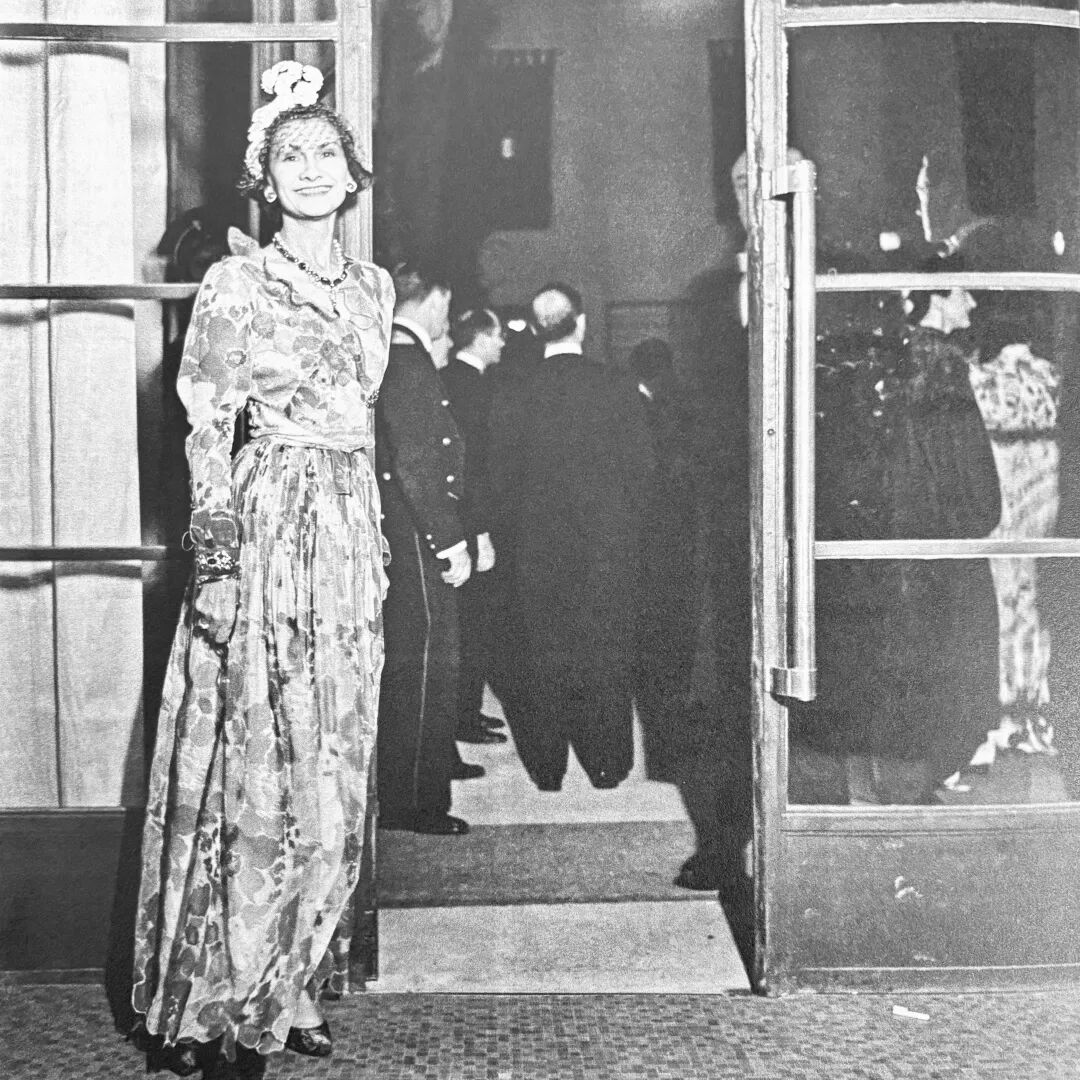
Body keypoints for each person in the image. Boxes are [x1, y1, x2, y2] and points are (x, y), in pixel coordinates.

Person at [130, 61, 393, 1078]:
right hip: (270, 526)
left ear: (353, 173)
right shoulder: (235, 285)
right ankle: (223, 1000)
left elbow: (365, 427)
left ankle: (291, 980)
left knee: (335, 771)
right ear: (265, 178)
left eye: (327, 153)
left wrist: (372, 549)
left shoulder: (374, 287)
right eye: (291, 156)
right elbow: (207, 429)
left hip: (349, 541)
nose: (312, 170)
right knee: (259, 765)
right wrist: (218, 564)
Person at [488, 283, 655, 791]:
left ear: (536, 330)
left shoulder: (511, 390)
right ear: (581, 323)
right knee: (605, 647)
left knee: (541, 650)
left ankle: (547, 767)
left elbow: (498, 476)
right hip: (606, 544)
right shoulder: (618, 386)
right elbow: (643, 469)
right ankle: (606, 763)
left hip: (534, 547)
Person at [375, 263, 475, 835]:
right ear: (433, 299)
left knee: (414, 662)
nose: (447, 318)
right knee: (427, 665)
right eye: (447, 305)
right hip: (415, 533)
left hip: (405, 527)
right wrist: (449, 539)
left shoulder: (391, 355)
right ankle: (415, 800)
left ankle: (411, 786)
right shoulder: (408, 361)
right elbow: (418, 462)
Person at [628, 337, 701, 781]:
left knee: (655, 649)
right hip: (675, 546)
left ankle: (663, 750)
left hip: (652, 547)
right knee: (672, 649)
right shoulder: (676, 408)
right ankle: (671, 751)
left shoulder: (643, 411)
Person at [442, 307, 509, 745]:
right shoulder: (475, 389)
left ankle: (468, 711)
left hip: (459, 519)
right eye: (497, 334)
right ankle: (462, 718)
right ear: (480, 338)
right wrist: (481, 533)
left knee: (468, 625)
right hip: (469, 523)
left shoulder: (449, 380)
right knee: (472, 626)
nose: (502, 342)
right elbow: (475, 470)